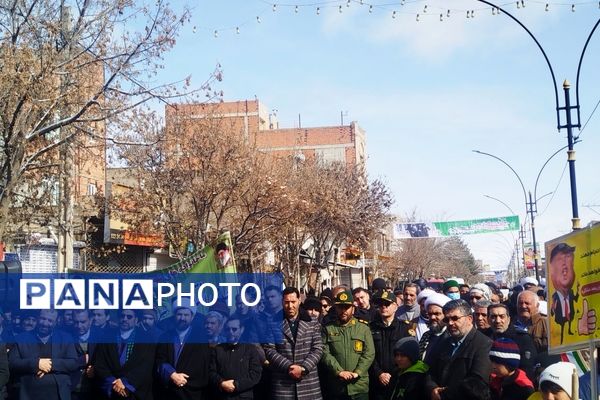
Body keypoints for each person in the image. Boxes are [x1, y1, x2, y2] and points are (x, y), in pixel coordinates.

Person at [425, 299, 492, 400]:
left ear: (469, 319)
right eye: (447, 320)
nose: (450, 323)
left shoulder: (484, 344)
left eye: (455, 318)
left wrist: (445, 394)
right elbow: (429, 371)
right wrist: (432, 389)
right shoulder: (442, 341)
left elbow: (477, 382)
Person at [264, 287, 324, 400]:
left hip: (308, 382)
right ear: (282, 302)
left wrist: (303, 368)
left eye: (293, 302)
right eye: (286, 302)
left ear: (299, 300)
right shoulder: (272, 322)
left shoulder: (312, 322)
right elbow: (269, 349)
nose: (290, 306)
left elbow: (318, 348)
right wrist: (289, 367)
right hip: (283, 383)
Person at [9, 309, 79, 400]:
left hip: (58, 394)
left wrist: (50, 364)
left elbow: (73, 363)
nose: (45, 323)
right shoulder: (21, 338)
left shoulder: (65, 338)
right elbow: (12, 363)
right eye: (43, 318)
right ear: (38, 318)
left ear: (56, 322)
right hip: (28, 393)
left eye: (50, 321)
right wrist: (37, 364)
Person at [321, 289, 375, 400]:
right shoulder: (328, 329)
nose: (343, 310)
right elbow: (324, 352)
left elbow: (369, 353)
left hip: (359, 386)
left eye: (347, 307)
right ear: (335, 308)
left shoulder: (363, 328)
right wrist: (339, 371)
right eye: (340, 307)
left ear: (353, 309)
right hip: (337, 386)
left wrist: (357, 372)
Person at [156, 299, 212, 399]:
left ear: (192, 317)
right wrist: (172, 374)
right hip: (169, 391)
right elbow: (160, 360)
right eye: (179, 314)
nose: (182, 318)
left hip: (193, 392)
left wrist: (182, 380)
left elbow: (203, 364)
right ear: (174, 316)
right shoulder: (165, 337)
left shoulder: (200, 337)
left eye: (186, 315)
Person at [94, 309, 156, 400]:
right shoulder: (106, 336)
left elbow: (146, 366)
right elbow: (100, 364)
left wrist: (125, 383)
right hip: (111, 390)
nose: (125, 319)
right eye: (122, 316)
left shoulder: (147, 338)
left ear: (136, 319)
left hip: (135, 392)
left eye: (129, 317)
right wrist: (114, 383)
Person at [369, 290, 410, 400]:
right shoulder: (370, 328)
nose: (383, 307)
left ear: (395, 307)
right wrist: (379, 373)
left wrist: (394, 373)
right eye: (380, 305)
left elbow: (409, 356)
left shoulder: (405, 328)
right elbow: (368, 354)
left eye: (387, 304)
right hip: (376, 381)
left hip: (398, 379)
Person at [209, 317, 262, 399]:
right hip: (222, 396)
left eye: (234, 329)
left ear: (241, 329)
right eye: (228, 329)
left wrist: (236, 385)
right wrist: (221, 383)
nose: (230, 332)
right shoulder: (218, 349)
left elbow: (255, 374)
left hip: (244, 396)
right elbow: (211, 372)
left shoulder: (250, 349)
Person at [487, 303, 537, 380]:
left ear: (508, 319)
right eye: (493, 317)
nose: (497, 321)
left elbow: (527, 369)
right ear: (488, 319)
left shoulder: (522, 339)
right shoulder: (484, 337)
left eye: (502, 316)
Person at [418, 293, 450, 365]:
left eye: (437, 314)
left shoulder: (451, 337)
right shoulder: (426, 335)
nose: (432, 317)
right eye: (430, 314)